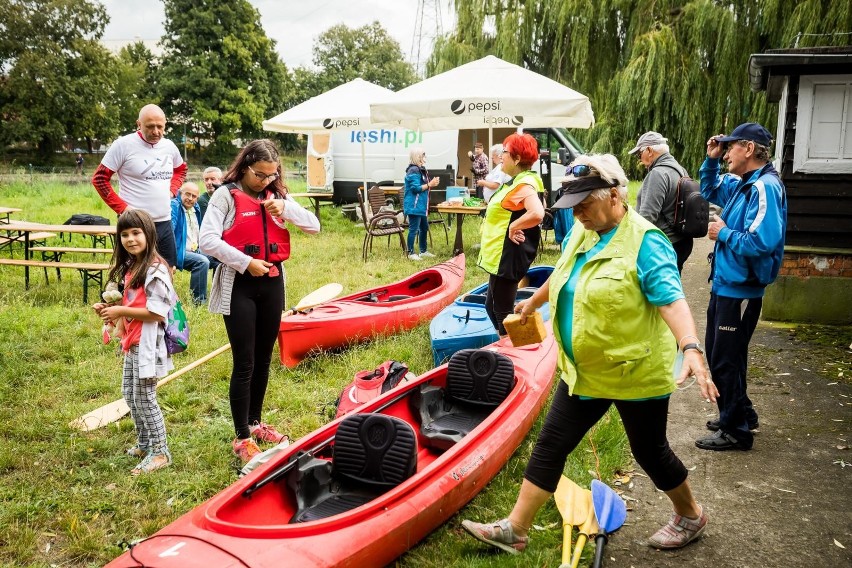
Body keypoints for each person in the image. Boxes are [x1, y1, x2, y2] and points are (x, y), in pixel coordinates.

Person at [462, 154, 718, 554]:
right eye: (573, 204)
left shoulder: (647, 243)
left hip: (634, 374)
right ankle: (515, 529)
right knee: (551, 444)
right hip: (583, 372)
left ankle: (690, 514)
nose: (577, 212)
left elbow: (672, 300)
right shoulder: (584, 231)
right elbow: (565, 271)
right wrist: (532, 304)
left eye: (585, 203)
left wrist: (690, 348)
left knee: (650, 452)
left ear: (615, 195)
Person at [199, 139, 319, 463]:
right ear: (246, 166)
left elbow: (314, 226)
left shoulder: (277, 195)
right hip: (238, 283)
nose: (265, 180)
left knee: (264, 359)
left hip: (272, 283)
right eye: (260, 175)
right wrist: (244, 262)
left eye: (271, 175)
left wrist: (287, 208)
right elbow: (206, 239)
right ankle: (241, 437)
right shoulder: (225, 194)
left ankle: (255, 423)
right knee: (245, 362)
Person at [695, 122, 787, 452]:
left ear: (748, 149)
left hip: (742, 289)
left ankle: (736, 431)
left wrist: (725, 234)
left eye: (731, 146)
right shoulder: (744, 184)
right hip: (726, 283)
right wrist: (711, 159)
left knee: (724, 360)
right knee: (726, 355)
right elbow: (709, 190)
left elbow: (763, 241)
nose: (727, 152)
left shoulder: (764, 189)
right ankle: (740, 412)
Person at [93, 209, 175, 475]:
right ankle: (145, 443)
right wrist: (109, 308)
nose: (130, 239)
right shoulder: (132, 266)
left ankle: (160, 452)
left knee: (145, 398)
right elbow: (131, 303)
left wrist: (120, 312)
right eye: (124, 234)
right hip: (132, 341)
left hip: (148, 344)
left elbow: (157, 312)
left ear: (149, 234)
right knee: (131, 394)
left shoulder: (155, 269)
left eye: (136, 233)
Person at [92, 104, 188, 267]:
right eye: (150, 127)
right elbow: (100, 179)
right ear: (139, 124)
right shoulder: (123, 145)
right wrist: (123, 209)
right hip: (136, 224)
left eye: (160, 127)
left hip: (164, 220)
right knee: (134, 272)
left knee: (168, 268)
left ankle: (163, 294)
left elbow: (181, 170)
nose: (156, 131)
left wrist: (172, 190)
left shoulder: (169, 146)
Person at [477, 132, 545, 336]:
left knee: (502, 311)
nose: (501, 157)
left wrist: (514, 226)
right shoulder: (519, 181)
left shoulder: (524, 184)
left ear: (516, 159)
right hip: (500, 255)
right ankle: (514, 345)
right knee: (492, 306)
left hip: (506, 256)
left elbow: (538, 212)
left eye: (505, 153)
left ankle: (515, 350)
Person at [628, 131, 694, 273]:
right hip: (682, 241)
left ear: (649, 150)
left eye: (639, 154)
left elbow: (647, 216)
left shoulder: (657, 174)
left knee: (659, 291)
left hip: (665, 244)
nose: (639, 159)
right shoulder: (680, 169)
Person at [171, 182, 219, 304]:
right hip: (177, 251)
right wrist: (169, 258)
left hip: (194, 248)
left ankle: (218, 295)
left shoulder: (195, 208)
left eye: (194, 196)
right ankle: (198, 301)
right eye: (187, 194)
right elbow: (170, 231)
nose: (190, 198)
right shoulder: (174, 206)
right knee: (202, 261)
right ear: (180, 193)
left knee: (220, 259)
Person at [403, 147, 439, 261]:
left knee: (424, 227)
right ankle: (410, 252)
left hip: (421, 205)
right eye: (423, 156)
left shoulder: (421, 169)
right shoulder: (413, 170)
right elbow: (415, 189)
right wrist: (429, 184)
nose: (425, 158)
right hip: (414, 205)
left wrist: (432, 184)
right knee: (414, 229)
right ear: (418, 157)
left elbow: (425, 186)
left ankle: (423, 251)